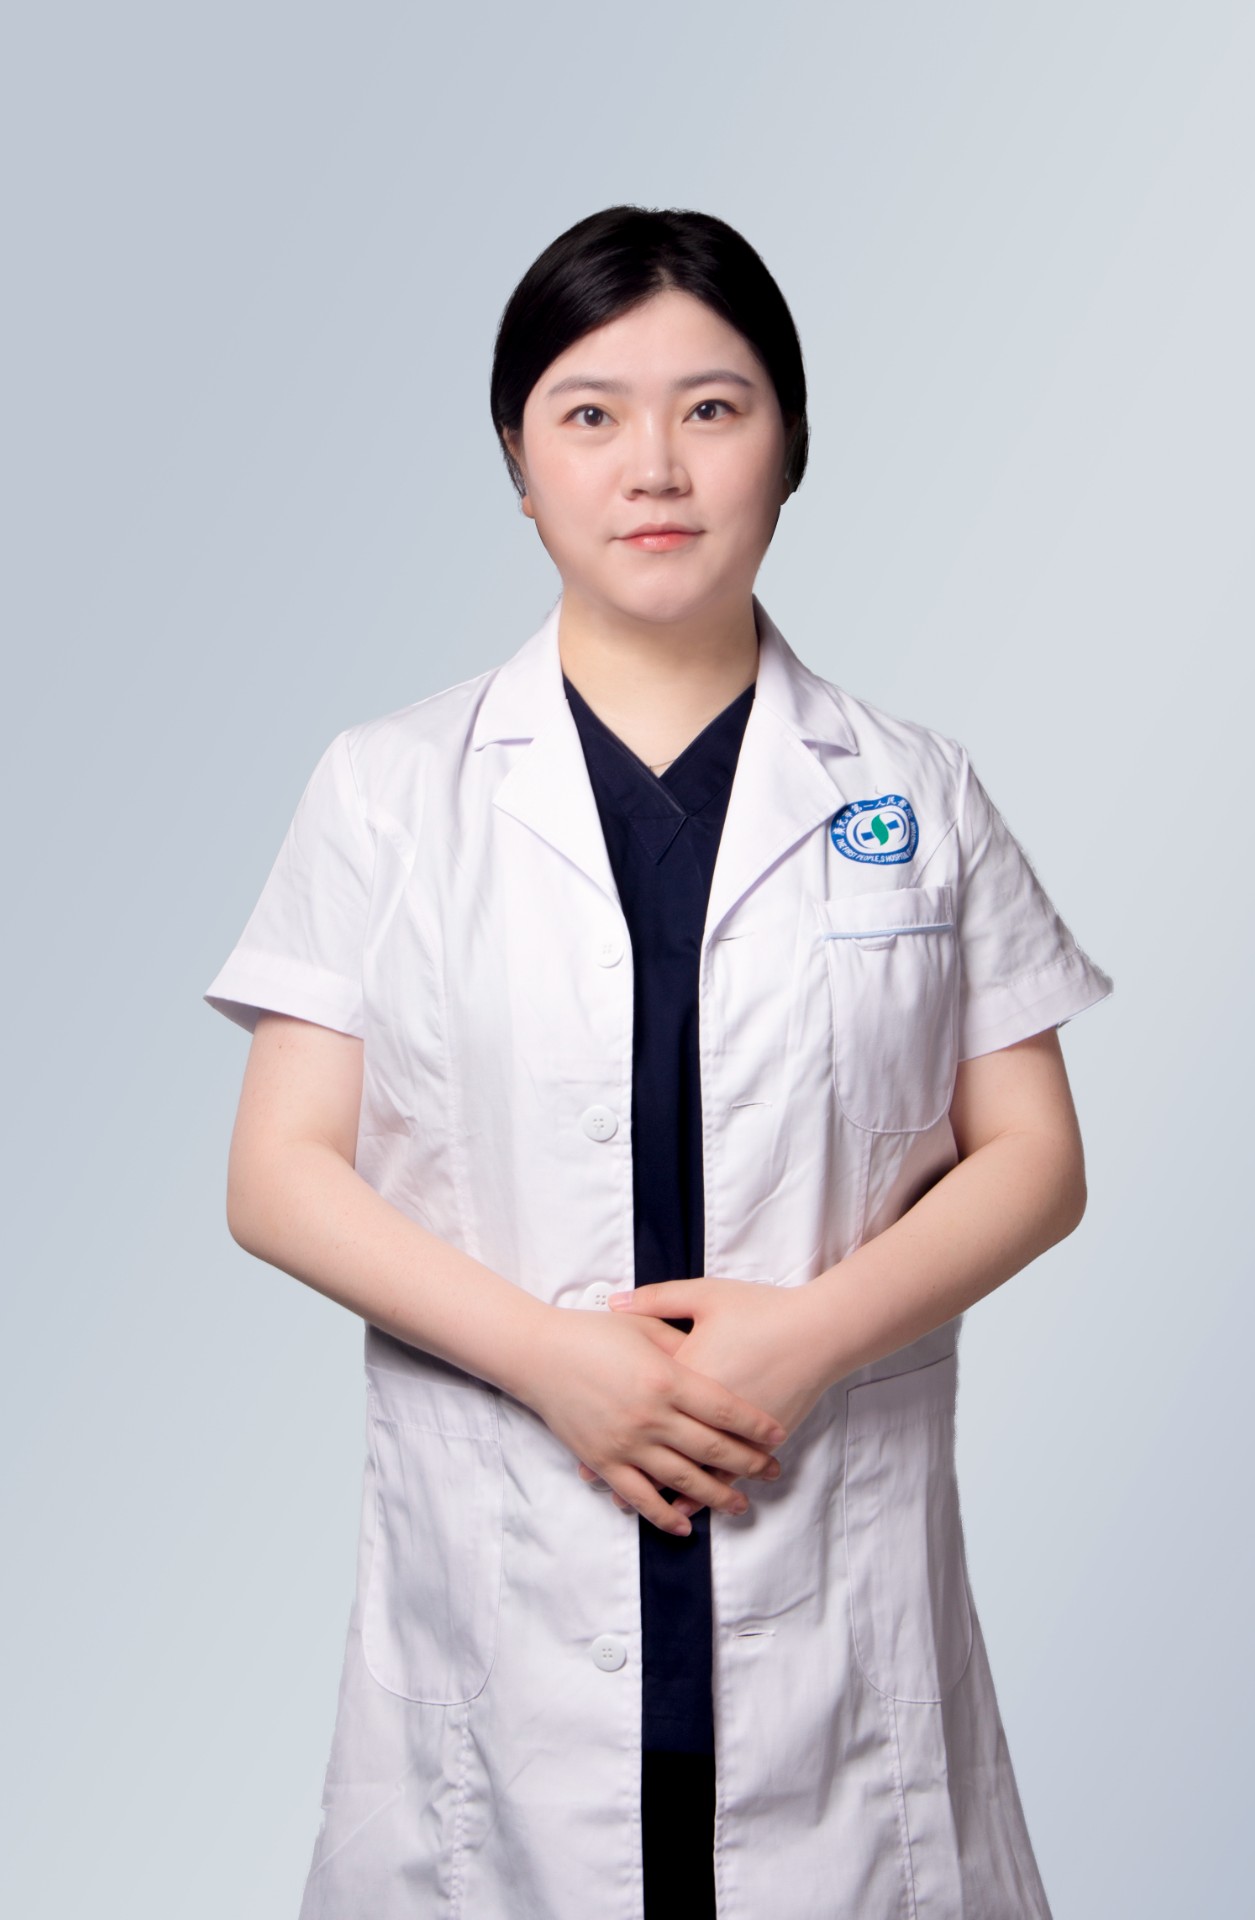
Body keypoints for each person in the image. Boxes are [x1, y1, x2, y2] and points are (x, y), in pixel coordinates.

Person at [204, 205, 1112, 1919]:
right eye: (591, 413)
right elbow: (278, 1174)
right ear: (517, 460)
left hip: (831, 1590)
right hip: (507, 1594)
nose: (656, 467)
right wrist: (556, 1364)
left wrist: (810, 1338)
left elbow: (1037, 1156)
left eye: (713, 408)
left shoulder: (912, 790)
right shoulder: (389, 790)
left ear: (791, 446)